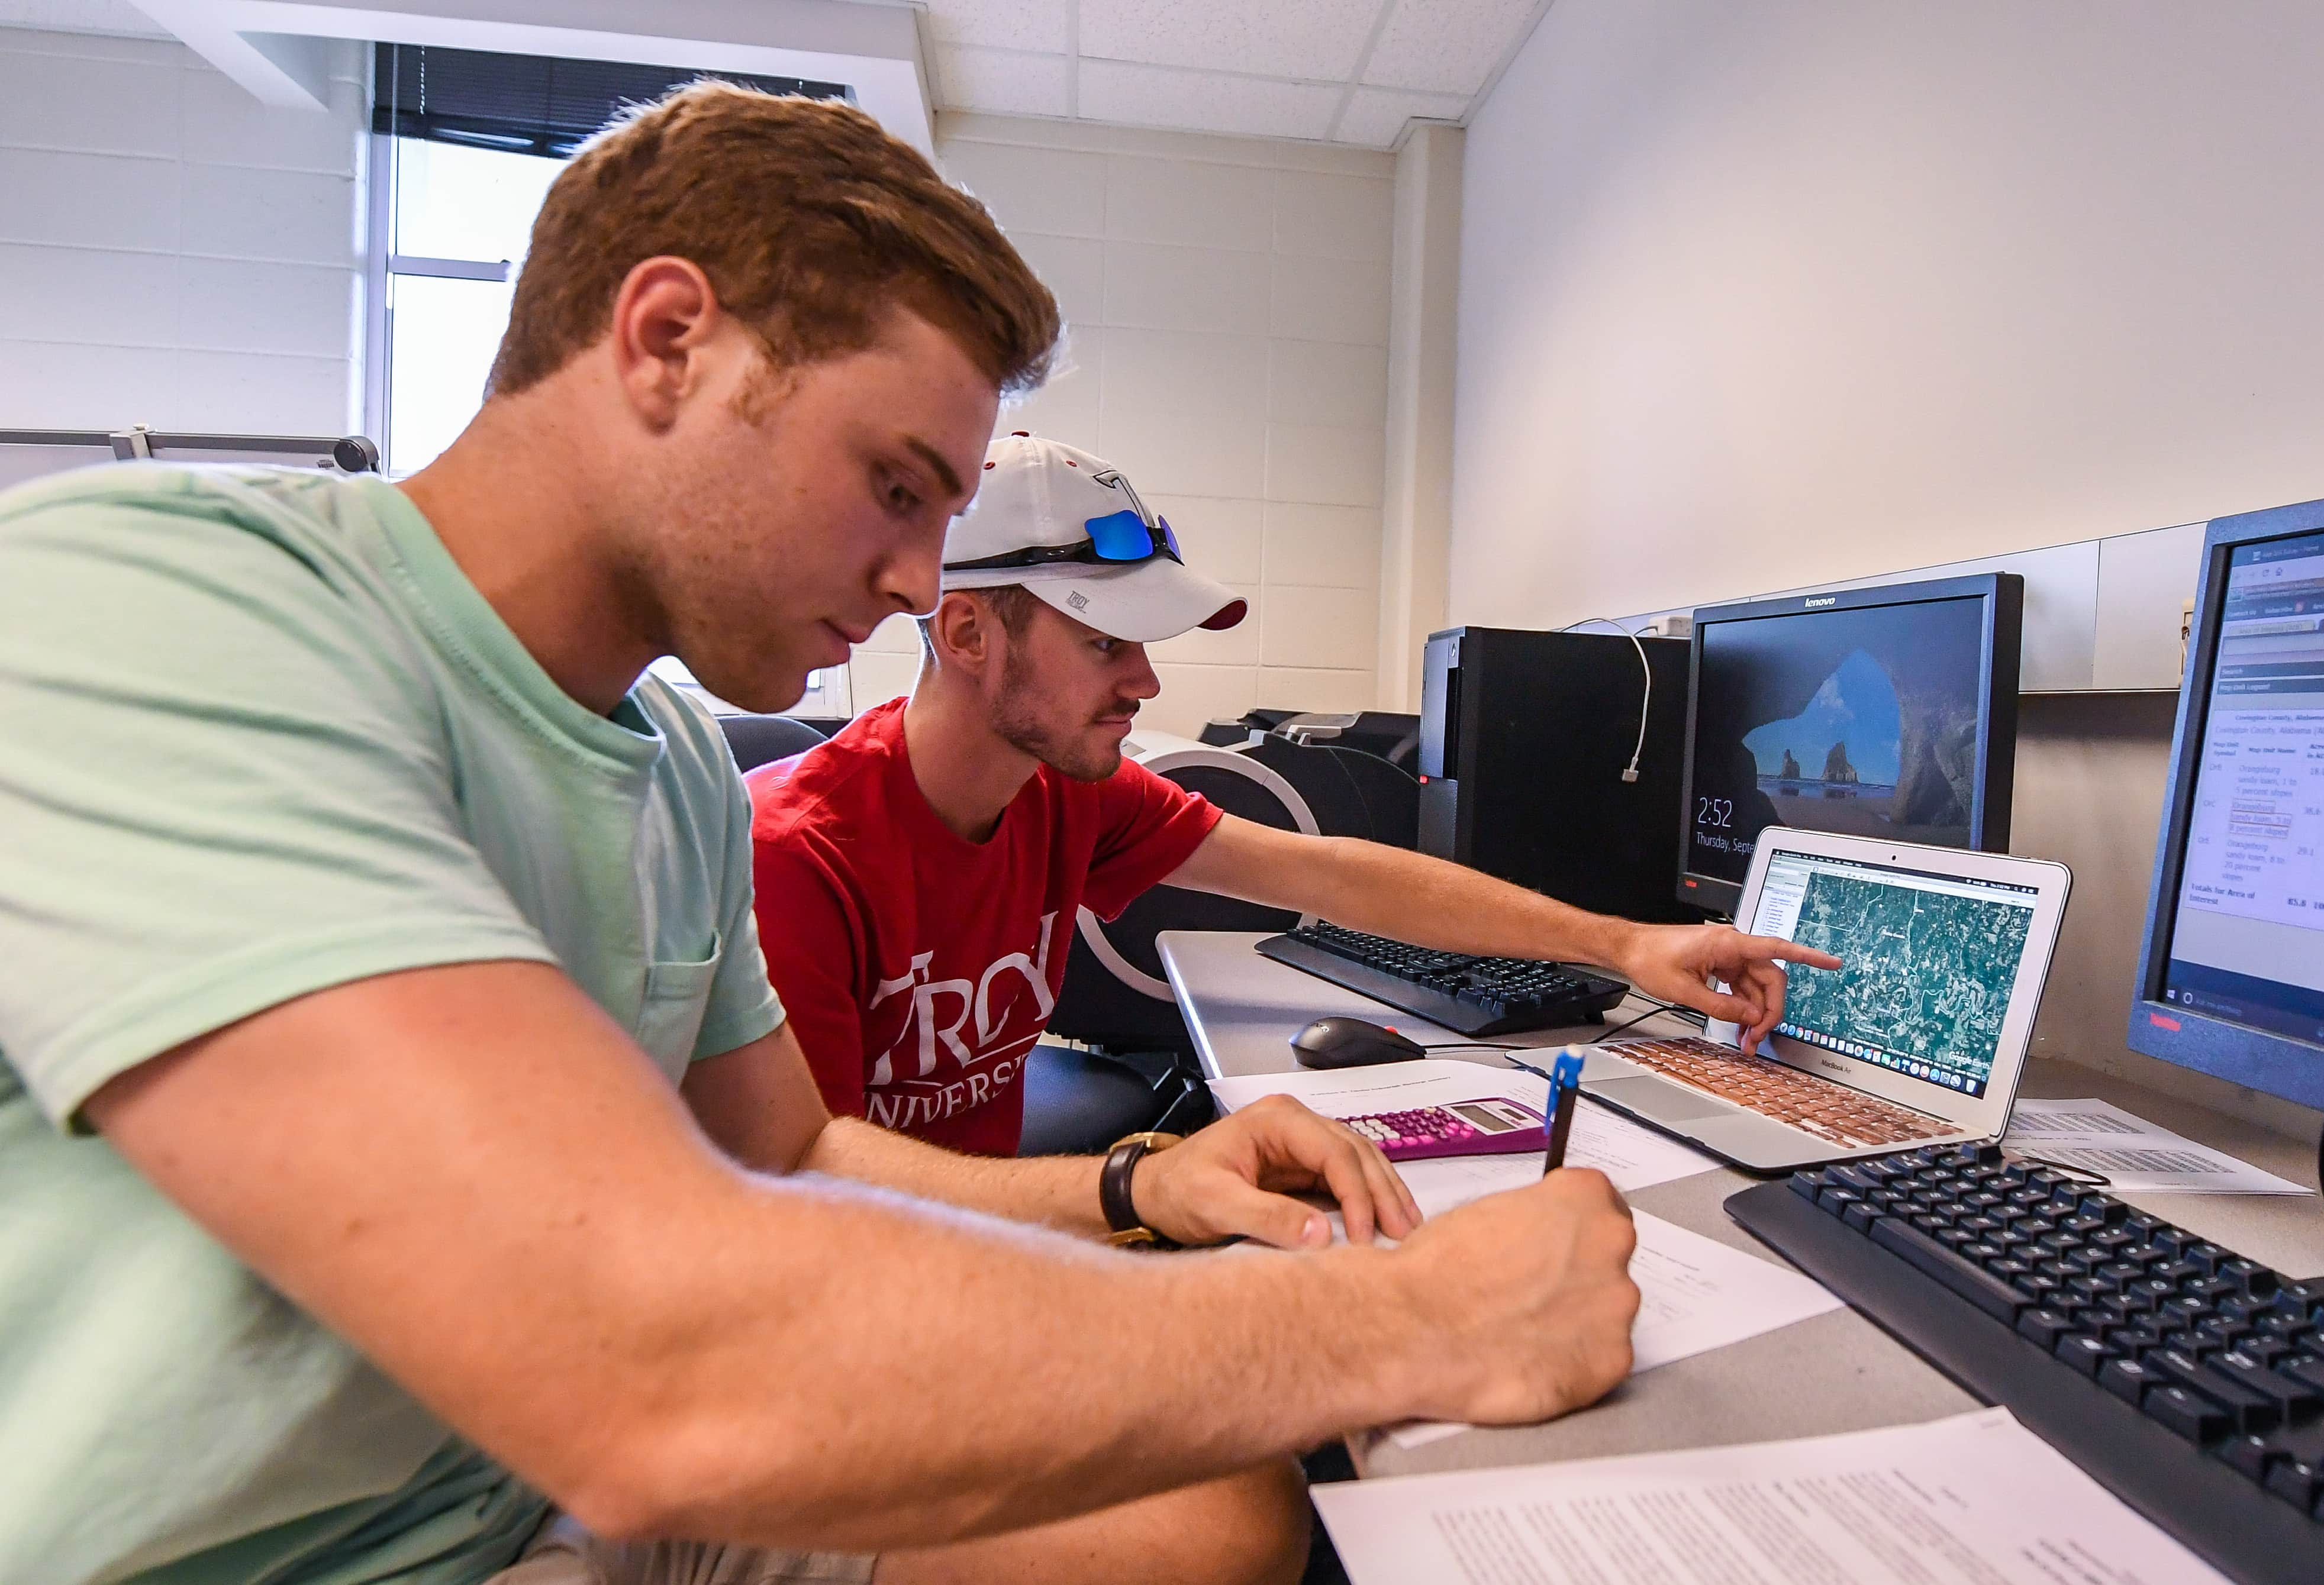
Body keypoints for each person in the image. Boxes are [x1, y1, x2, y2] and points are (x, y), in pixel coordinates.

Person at [0, 85, 1652, 1585]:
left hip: (533, 1490)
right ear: (667, 342)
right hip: (343, 1534)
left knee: (1219, 1510)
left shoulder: (664, 759)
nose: (924, 590)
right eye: (893, 486)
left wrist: (1147, 1182)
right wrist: (1396, 1318)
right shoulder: (157, 603)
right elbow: (648, 1353)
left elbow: (790, 1157)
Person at [746, 432, 1839, 1157]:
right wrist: (1139, 1195)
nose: (1144, 680)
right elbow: (817, 1195)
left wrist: (1621, 943)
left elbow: (1326, 874)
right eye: (1103, 642)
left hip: (983, 1241)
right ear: (969, 632)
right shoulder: (796, 856)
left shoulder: (1065, 794)